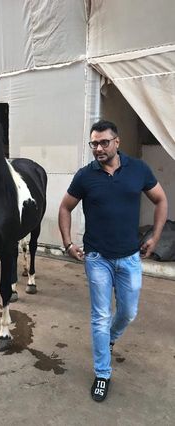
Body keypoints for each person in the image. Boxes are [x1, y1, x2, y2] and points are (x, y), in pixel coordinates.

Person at [58, 120, 168, 402]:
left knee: (128, 312)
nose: (98, 148)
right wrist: (68, 242)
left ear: (117, 142)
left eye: (104, 142)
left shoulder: (138, 170)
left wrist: (155, 237)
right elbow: (65, 207)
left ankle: (108, 338)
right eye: (94, 143)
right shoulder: (85, 176)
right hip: (97, 258)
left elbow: (160, 200)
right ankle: (102, 373)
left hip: (130, 257)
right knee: (100, 315)